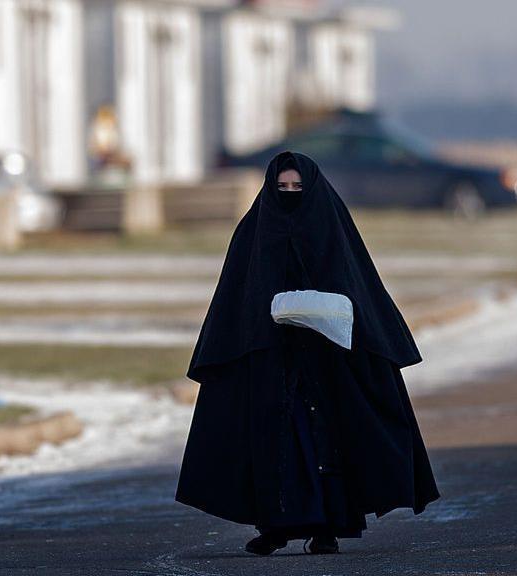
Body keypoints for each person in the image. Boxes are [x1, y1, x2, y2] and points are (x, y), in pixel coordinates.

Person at [174, 150, 440, 555]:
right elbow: (238, 294)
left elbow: (356, 284)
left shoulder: (330, 225)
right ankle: (275, 527)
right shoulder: (256, 230)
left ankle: (327, 528)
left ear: (311, 188)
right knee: (276, 441)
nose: (290, 194)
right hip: (270, 358)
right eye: (283, 187)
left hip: (327, 359)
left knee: (325, 441)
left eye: (298, 187)